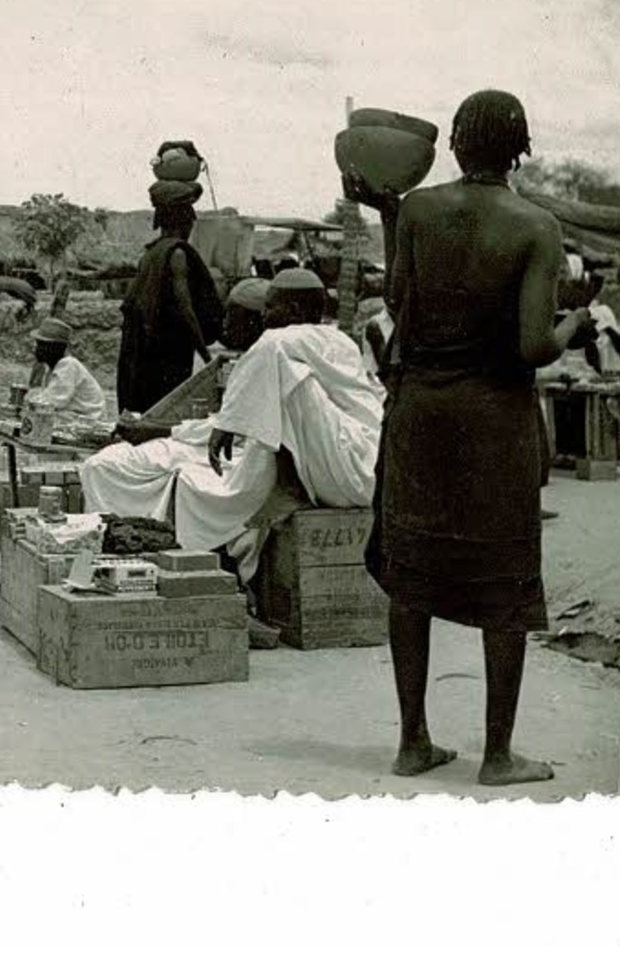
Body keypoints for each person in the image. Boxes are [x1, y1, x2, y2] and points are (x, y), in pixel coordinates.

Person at [355, 89, 594, 786]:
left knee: (411, 573)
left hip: (420, 414)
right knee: (504, 577)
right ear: (519, 148)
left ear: (455, 144)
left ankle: (411, 741)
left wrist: (385, 212)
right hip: (492, 422)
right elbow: (529, 346)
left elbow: (397, 302)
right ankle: (495, 754)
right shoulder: (535, 226)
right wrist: (575, 325)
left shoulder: (421, 210)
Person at [81, 269, 380, 575]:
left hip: (354, 467)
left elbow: (270, 347)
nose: (264, 316)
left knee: (289, 375)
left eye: (271, 308)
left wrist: (226, 425)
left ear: (294, 311)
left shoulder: (293, 343)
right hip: (339, 468)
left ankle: (287, 489)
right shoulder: (314, 342)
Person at [116, 180, 224, 414]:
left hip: (142, 353)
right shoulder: (176, 254)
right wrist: (206, 355)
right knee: (164, 414)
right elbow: (185, 307)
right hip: (164, 356)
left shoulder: (150, 254)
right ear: (182, 220)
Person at [23, 317, 106, 419]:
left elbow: (51, 402)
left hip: (89, 419)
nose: (35, 348)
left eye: (41, 345)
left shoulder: (67, 365)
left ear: (54, 348)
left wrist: (27, 399)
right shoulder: (53, 368)